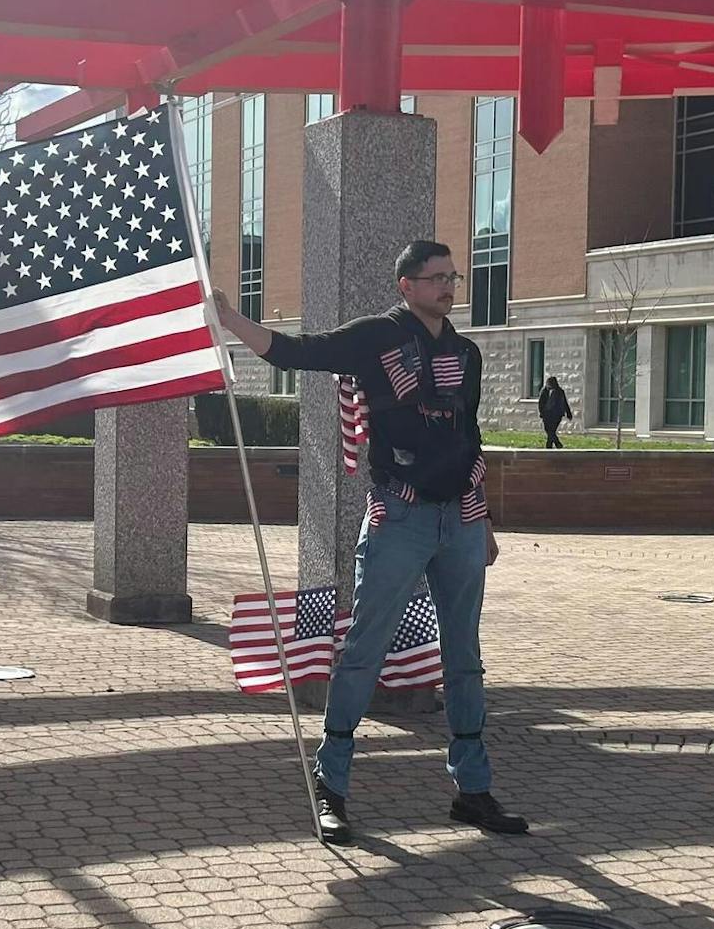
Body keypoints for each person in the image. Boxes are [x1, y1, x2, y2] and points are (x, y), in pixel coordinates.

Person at [213, 240, 527, 845]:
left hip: (459, 518)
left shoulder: (465, 352)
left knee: (464, 657)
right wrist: (230, 319)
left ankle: (473, 790)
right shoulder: (375, 336)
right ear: (406, 285)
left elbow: (469, 434)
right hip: (400, 516)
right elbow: (297, 353)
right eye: (435, 278)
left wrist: (482, 517)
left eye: (452, 277)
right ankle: (330, 786)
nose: (448, 286)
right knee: (363, 652)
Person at [538, 375, 572, 448]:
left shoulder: (560, 391)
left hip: (557, 414)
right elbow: (541, 403)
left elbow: (565, 402)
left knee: (552, 430)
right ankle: (556, 444)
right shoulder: (544, 391)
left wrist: (568, 413)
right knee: (548, 430)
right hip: (547, 414)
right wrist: (541, 413)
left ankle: (550, 445)